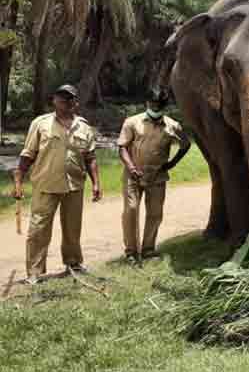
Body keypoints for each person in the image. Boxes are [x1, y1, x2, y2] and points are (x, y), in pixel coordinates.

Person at [13, 84, 102, 284]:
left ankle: (74, 263)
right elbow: (28, 154)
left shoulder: (84, 126)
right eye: (61, 98)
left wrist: (97, 183)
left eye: (70, 98)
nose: (65, 102)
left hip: (74, 185)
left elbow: (90, 157)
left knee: (72, 228)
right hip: (46, 184)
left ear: (75, 102)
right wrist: (18, 180)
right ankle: (34, 272)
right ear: (54, 100)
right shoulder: (40, 123)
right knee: (38, 229)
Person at [118, 90, 191, 263]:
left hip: (157, 176)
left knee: (155, 213)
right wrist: (131, 167)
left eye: (159, 105)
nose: (155, 107)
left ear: (164, 106)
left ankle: (148, 249)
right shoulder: (132, 122)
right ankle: (131, 252)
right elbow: (122, 148)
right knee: (131, 210)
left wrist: (172, 163)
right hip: (133, 175)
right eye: (152, 104)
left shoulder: (172, 126)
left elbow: (185, 144)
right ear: (147, 103)